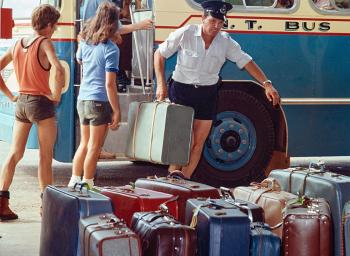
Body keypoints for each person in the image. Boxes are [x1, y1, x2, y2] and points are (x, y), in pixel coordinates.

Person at [154, 0, 280, 180]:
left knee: (198, 143)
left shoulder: (225, 41)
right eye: (213, 21)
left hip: (207, 94)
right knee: (181, 142)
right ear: (203, 18)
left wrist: (267, 84)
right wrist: (160, 84)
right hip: (182, 92)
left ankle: (185, 181)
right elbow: (159, 54)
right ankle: (172, 180)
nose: (216, 26)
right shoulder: (186, 33)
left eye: (220, 23)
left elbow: (246, 62)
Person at [0, 4, 64, 221]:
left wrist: (10, 95)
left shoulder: (18, 43)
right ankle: (46, 207)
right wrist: (56, 94)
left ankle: (2, 203)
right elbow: (59, 67)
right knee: (45, 157)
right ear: (47, 25)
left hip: (22, 102)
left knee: (14, 154)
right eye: (54, 25)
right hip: (41, 102)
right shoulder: (44, 42)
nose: (54, 29)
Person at [67, 1, 121, 188]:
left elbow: (80, 60)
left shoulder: (85, 42)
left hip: (83, 99)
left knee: (84, 143)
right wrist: (116, 110)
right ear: (113, 23)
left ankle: (74, 181)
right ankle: (88, 183)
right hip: (99, 101)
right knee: (94, 147)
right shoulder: (111, 49)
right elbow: (109, 84)